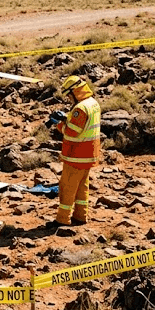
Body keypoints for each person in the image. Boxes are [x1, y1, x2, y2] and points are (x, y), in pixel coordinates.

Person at [49, 75, 101, 226]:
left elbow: (72, 131)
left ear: (75, 92)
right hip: (89, 154)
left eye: (69, 95)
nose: (69, 99)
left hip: (76, 155)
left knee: (68, 187)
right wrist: (67, 118)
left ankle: (62, 219)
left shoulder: (80, 108)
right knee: (82, 187)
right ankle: (80, 216)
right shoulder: (93, 103)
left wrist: (60, 124)